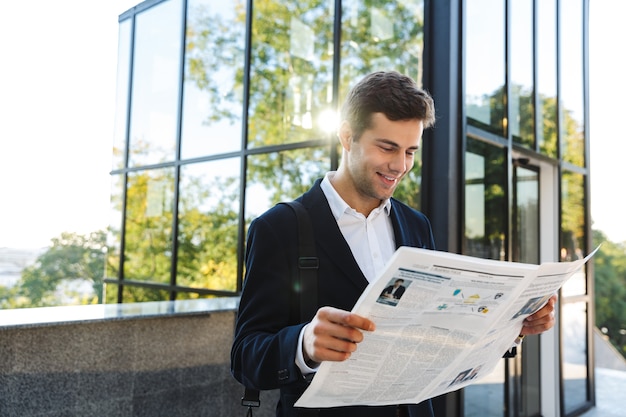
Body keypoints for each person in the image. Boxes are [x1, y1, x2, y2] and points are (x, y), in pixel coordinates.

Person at [230, 71, 557, 417]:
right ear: (346, 136)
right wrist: (304, 344)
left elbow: (438, 332)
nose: (400, 166)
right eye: (387, 147)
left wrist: (511, 328)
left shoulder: (416, 225)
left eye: (410, 151)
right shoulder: (278, 228)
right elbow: (245, 357)